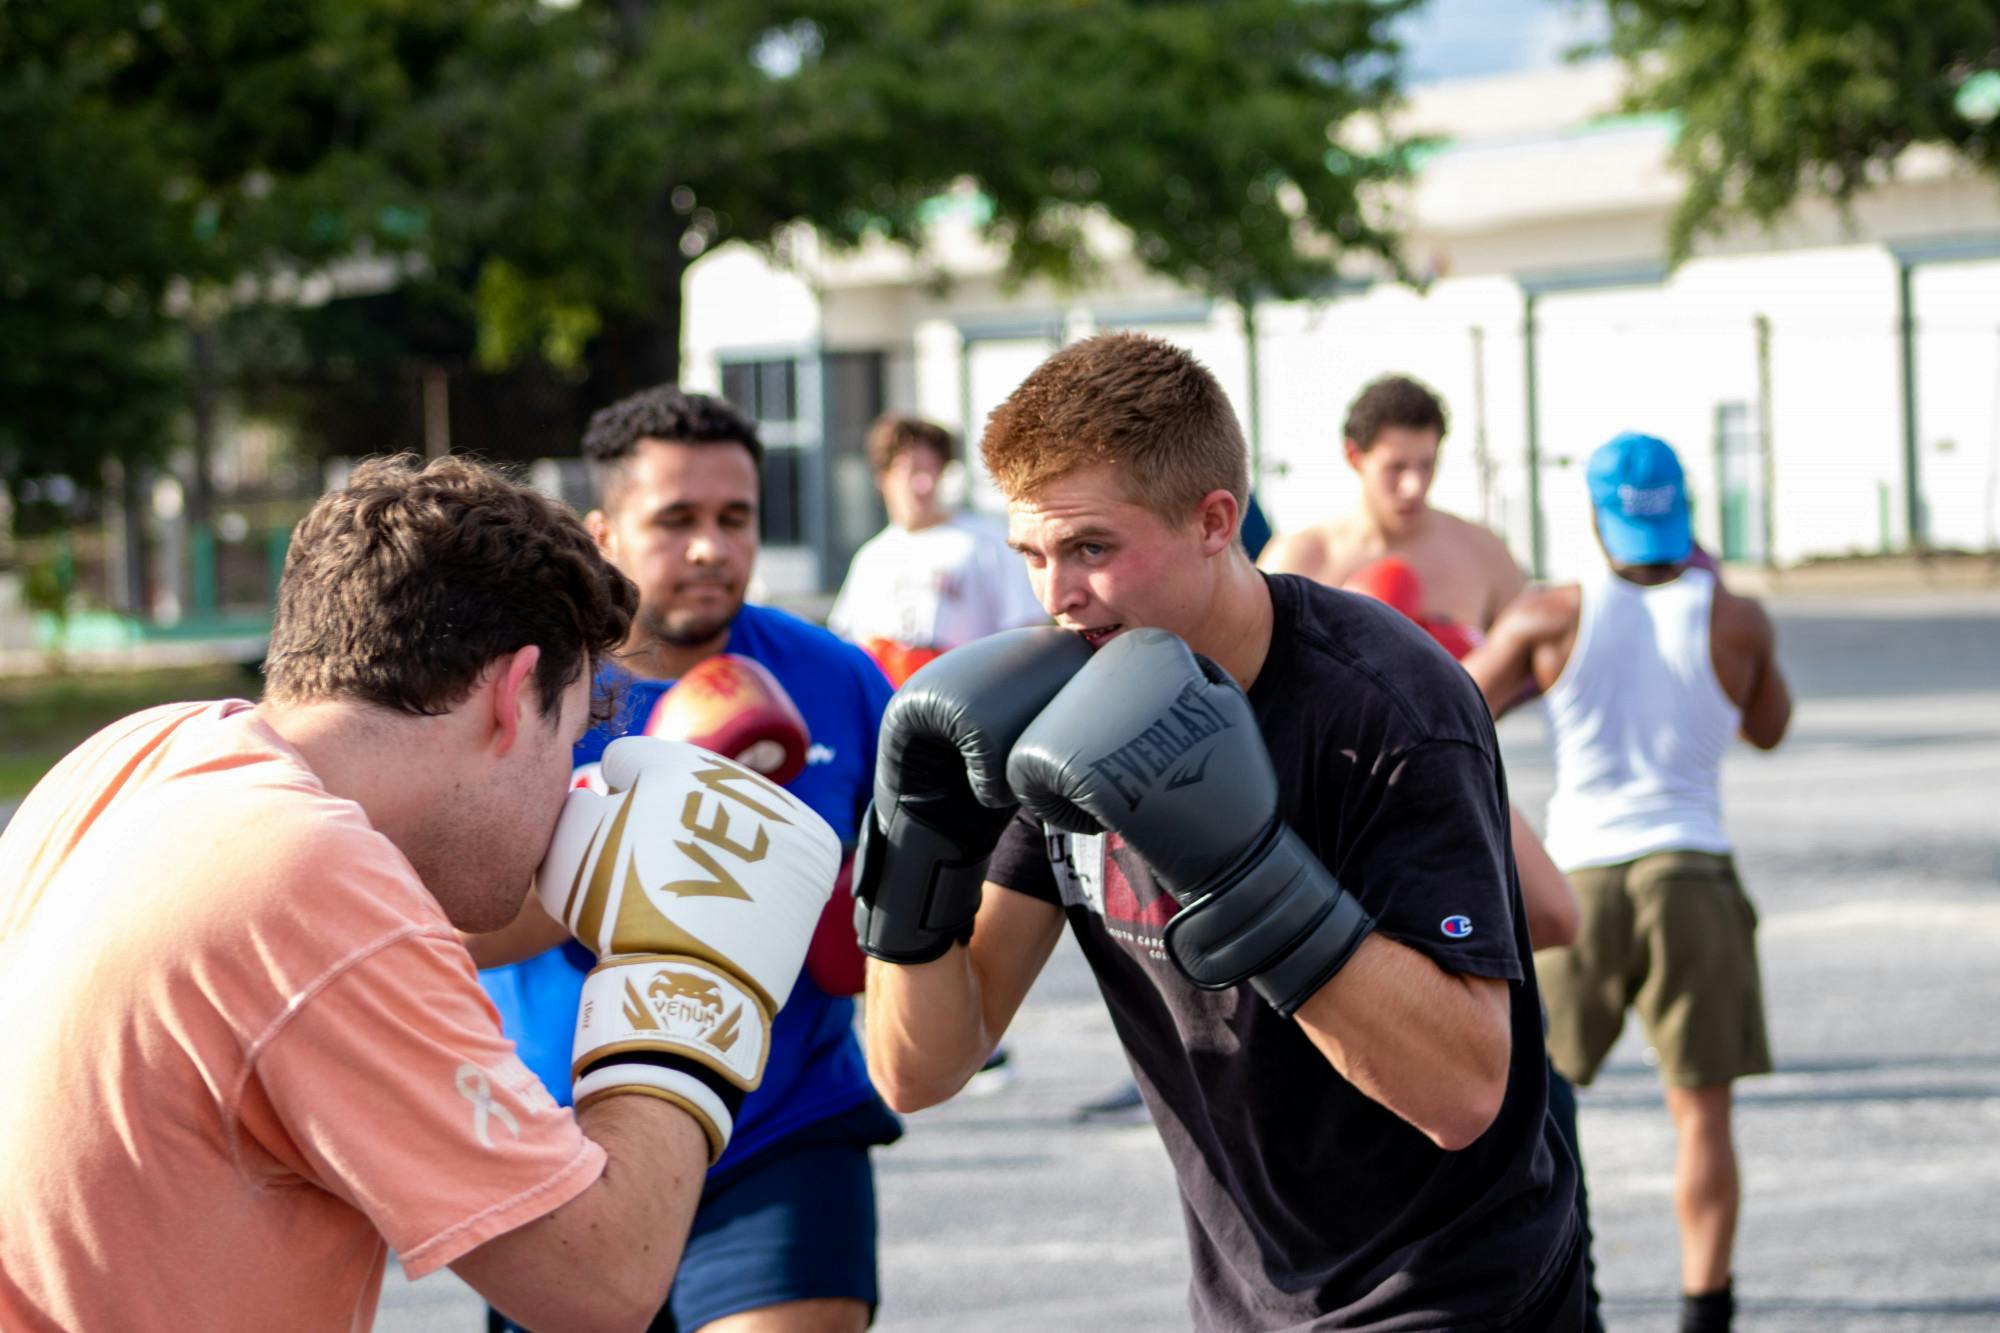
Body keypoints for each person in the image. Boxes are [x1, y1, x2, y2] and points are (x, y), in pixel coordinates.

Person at [0, 455, 840, 1331]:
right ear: (514, 696)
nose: (573, 782)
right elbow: (600, 1279)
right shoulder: (312, 880)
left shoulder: (142, 755)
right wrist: (691, 974)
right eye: (580, 728)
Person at [855, 333, 1583, 1330]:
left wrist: (1247, 875)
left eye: (1091, 548)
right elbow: (920, 1068)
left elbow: (1462, 1089)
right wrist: (917, 858)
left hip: (1456, 1292)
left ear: (1213, 520)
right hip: (1244, 1298)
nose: (1055, 595)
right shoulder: (1056, 701)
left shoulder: (1385, 703)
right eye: (1032, 554)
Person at [472, 386, 900, 1333]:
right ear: (604, 531)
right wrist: (644, 844)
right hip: (559, 1140)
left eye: (734, 517)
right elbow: (448, 932)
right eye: (676, 520)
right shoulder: (519, 693)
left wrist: (869, 920)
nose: (711, 547)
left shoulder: (833, 675)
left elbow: (922, 882)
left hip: (781, 1125)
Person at [1463, 432, 1792, 1333]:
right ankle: (1705, 1309)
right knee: (1702, 1115)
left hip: (1581, 881)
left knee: (1537, 1110)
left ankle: (1574, 1297)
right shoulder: (1735, 615)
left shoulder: (1550, 614)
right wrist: (1717, 589)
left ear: (1595, 516)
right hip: (1694, 871)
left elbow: (1452, 706)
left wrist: (1542, 682)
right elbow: (1768, 725)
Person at [1259, 373, 1525, 638]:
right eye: (1396, 467)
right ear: (1354, 457)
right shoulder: (1298, 559)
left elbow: (1534, 667)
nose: (1414, 486)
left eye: (1426, 465)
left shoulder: (1483, 552)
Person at [828, 413, 1046, 685]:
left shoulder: (985, 540)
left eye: (933, 469)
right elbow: (850, 646)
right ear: (883, 477)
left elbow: (1028, 631)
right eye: (912, 470)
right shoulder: (871, 557)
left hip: (968, 697)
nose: (925, 483)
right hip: (891, 705)